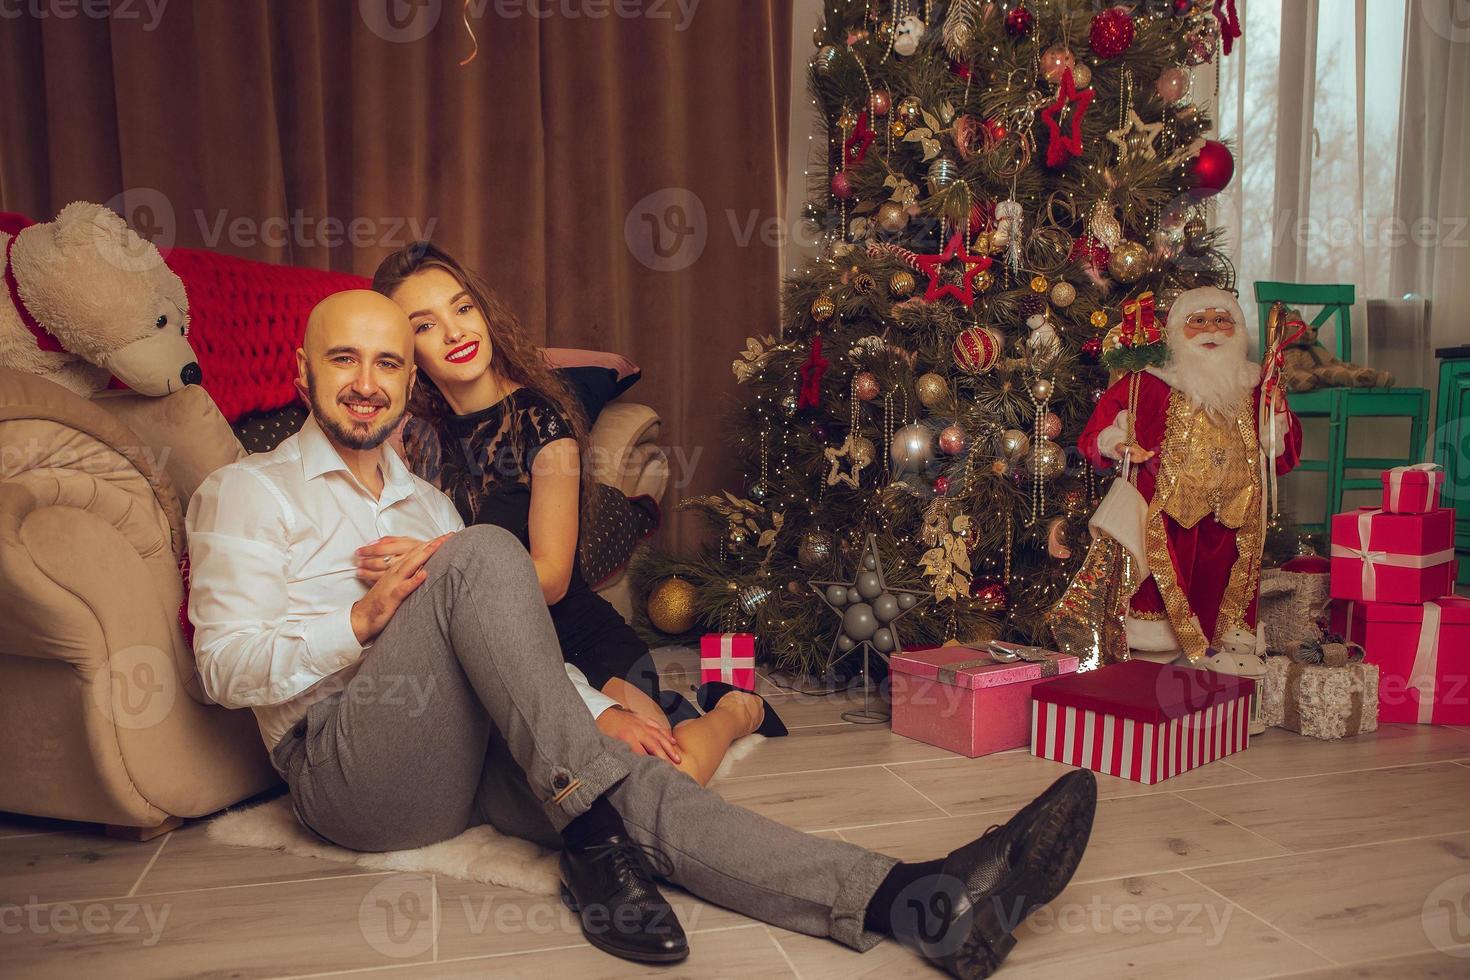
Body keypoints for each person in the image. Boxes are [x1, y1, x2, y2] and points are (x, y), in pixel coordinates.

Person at [185, 289, 1097, 977]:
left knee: (638, 791)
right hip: (344, 772)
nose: (365, 383)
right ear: (303, 375)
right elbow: (223, 669)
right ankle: (590, 838)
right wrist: (361, 618)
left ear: (407, 382)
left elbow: (498, 648)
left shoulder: (423, 501)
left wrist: (594, 711)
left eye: (387, 364)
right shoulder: (244, 492)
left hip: (454, 746)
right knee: (486, 553)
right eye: (343, 360)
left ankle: (915, 899)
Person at [361, 241, 784, 787]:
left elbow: (554, 581)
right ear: (405, 349)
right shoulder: (412, 438)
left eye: (463, 308)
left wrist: (432, 563)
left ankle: (734, 711)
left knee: (659, 775)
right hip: (493, 649)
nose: (455, 331)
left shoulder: (542, 422)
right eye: (425, 324)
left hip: (579, 637)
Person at [1076, 286, 1303, 663]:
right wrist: (1117, 444)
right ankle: (1158, 662)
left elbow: (1281, 453)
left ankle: (1225, 672)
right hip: (1166, 519)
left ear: (1239, 329)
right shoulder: (1149, 382)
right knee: (1164, 599)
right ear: (1178, 330)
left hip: (1237, 516)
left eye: (1222, 321)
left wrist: (1276, 414)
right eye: (1198, 322)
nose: (1211, 331)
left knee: (1225, 596)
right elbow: (1098, 431)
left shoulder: (1256, 385)